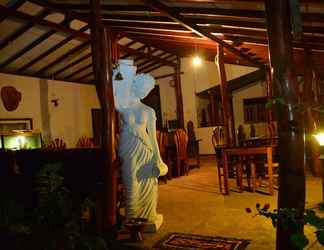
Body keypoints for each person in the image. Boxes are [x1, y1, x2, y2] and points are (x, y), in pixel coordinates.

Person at [113, 60, 168, 232]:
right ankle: (132, 219)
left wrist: (158, 159)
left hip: (145, 149)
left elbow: (153, 138)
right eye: (143, 88)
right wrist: (121, 71)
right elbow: (115, 92)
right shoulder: (124, 106)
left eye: (148, 90)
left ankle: (145, 217)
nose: (145, 92)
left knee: (146, 184)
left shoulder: (148, 111)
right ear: (134, 85)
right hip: (128, 149)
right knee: (131, 183)